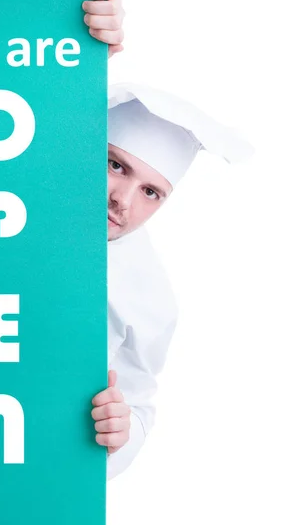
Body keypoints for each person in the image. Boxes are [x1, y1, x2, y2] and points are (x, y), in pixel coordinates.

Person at [89, 83, 253, 480]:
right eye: (116, 166)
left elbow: (138, 402)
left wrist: (121, 432)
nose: (122, 200)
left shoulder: (149, 296)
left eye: (151, 192)